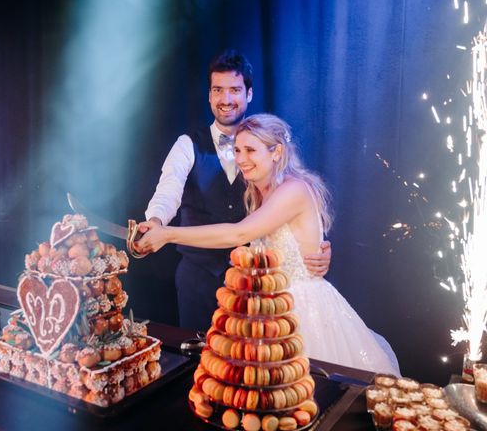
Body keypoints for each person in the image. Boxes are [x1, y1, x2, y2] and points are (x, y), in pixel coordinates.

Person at [137, 114, 400, 375]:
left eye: (250, 150)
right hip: (268, 310)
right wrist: (158, 221)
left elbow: (239, 234)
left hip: (301, 312)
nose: (241, 159)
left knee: (306, 389)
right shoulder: (260, 193)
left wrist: (168, 234)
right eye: (237, 150)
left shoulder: (294, 190)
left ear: (277, 152)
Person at [141, 50, 331, 332]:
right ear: (209, 95)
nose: (226, 99)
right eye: (218, 90)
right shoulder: (187, 144)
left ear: (249, 94)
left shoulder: (269, 155)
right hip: (199, 278)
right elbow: (168, 190)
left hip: (256, 288)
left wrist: (316, 247)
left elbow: (282, 217)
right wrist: (156, 222)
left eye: (234, 90)